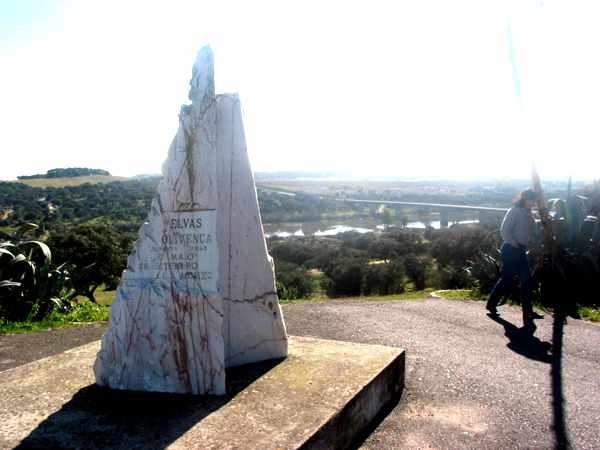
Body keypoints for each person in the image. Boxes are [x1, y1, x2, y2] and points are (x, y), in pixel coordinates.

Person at [486, 189, 543, 325]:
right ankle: (491, 304)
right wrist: (515, 243)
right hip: (510, 250)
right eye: (532, 200)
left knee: (526, 281)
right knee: (507, 279)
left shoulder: (528, 213)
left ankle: (528, 312)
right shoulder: (514, 211)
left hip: (521, 251)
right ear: (525, 199)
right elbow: (504, 231)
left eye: (535, 200)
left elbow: (532, 229)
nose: (534, 203)